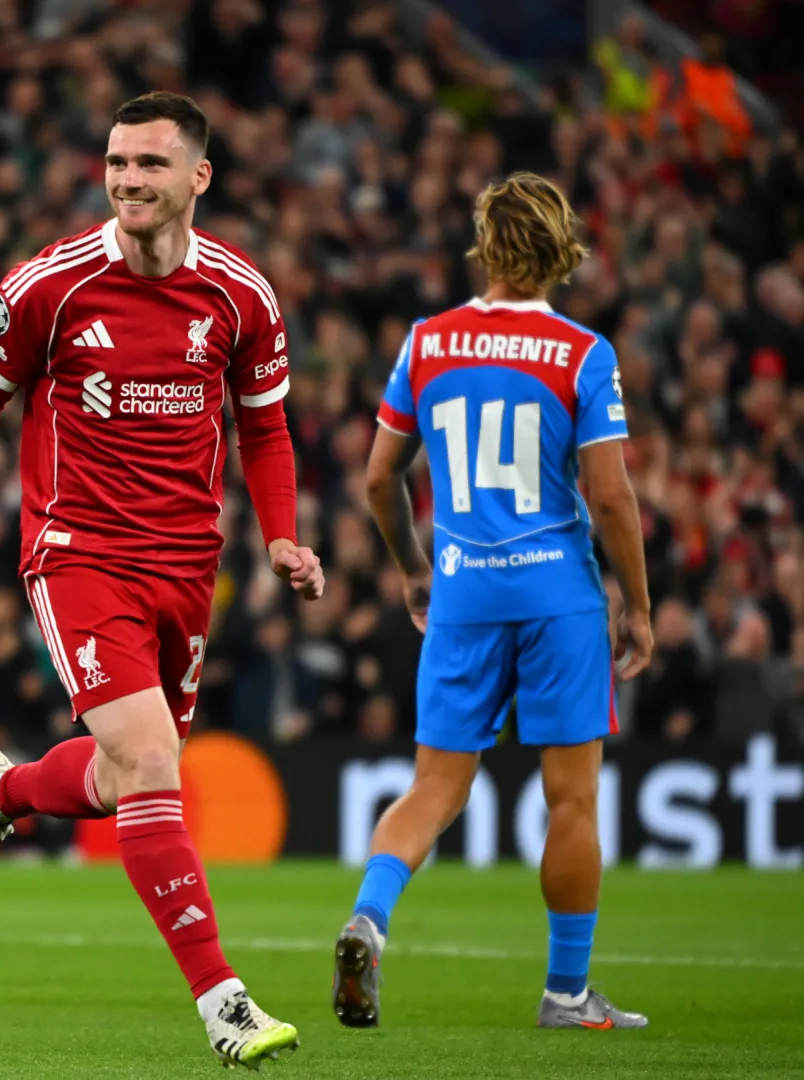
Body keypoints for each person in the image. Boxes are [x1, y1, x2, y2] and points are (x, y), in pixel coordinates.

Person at [0, 93, 324, 1069]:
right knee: (148, 759)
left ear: (198, 179)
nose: (130, 180)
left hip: (189, 567)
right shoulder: (49, 286)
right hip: (77, 553)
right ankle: (224, 1004)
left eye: (151, 165)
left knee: (124, 771)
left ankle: (0, 792)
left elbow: (263, 427)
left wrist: (282, 538)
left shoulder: (241, 296)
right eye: (118, 162)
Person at [335, 172, 651, 1031]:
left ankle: (369, 916)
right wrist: (640, 604)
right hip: (559, 595)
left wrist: (410, 564)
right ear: (560, 251)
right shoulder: (585, 353)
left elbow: (378, 477)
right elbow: (612, 496)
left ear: (486, 245)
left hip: (466, 589)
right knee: (572, 800)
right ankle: (566, 993)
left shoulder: (427, 343)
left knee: (435, 787)